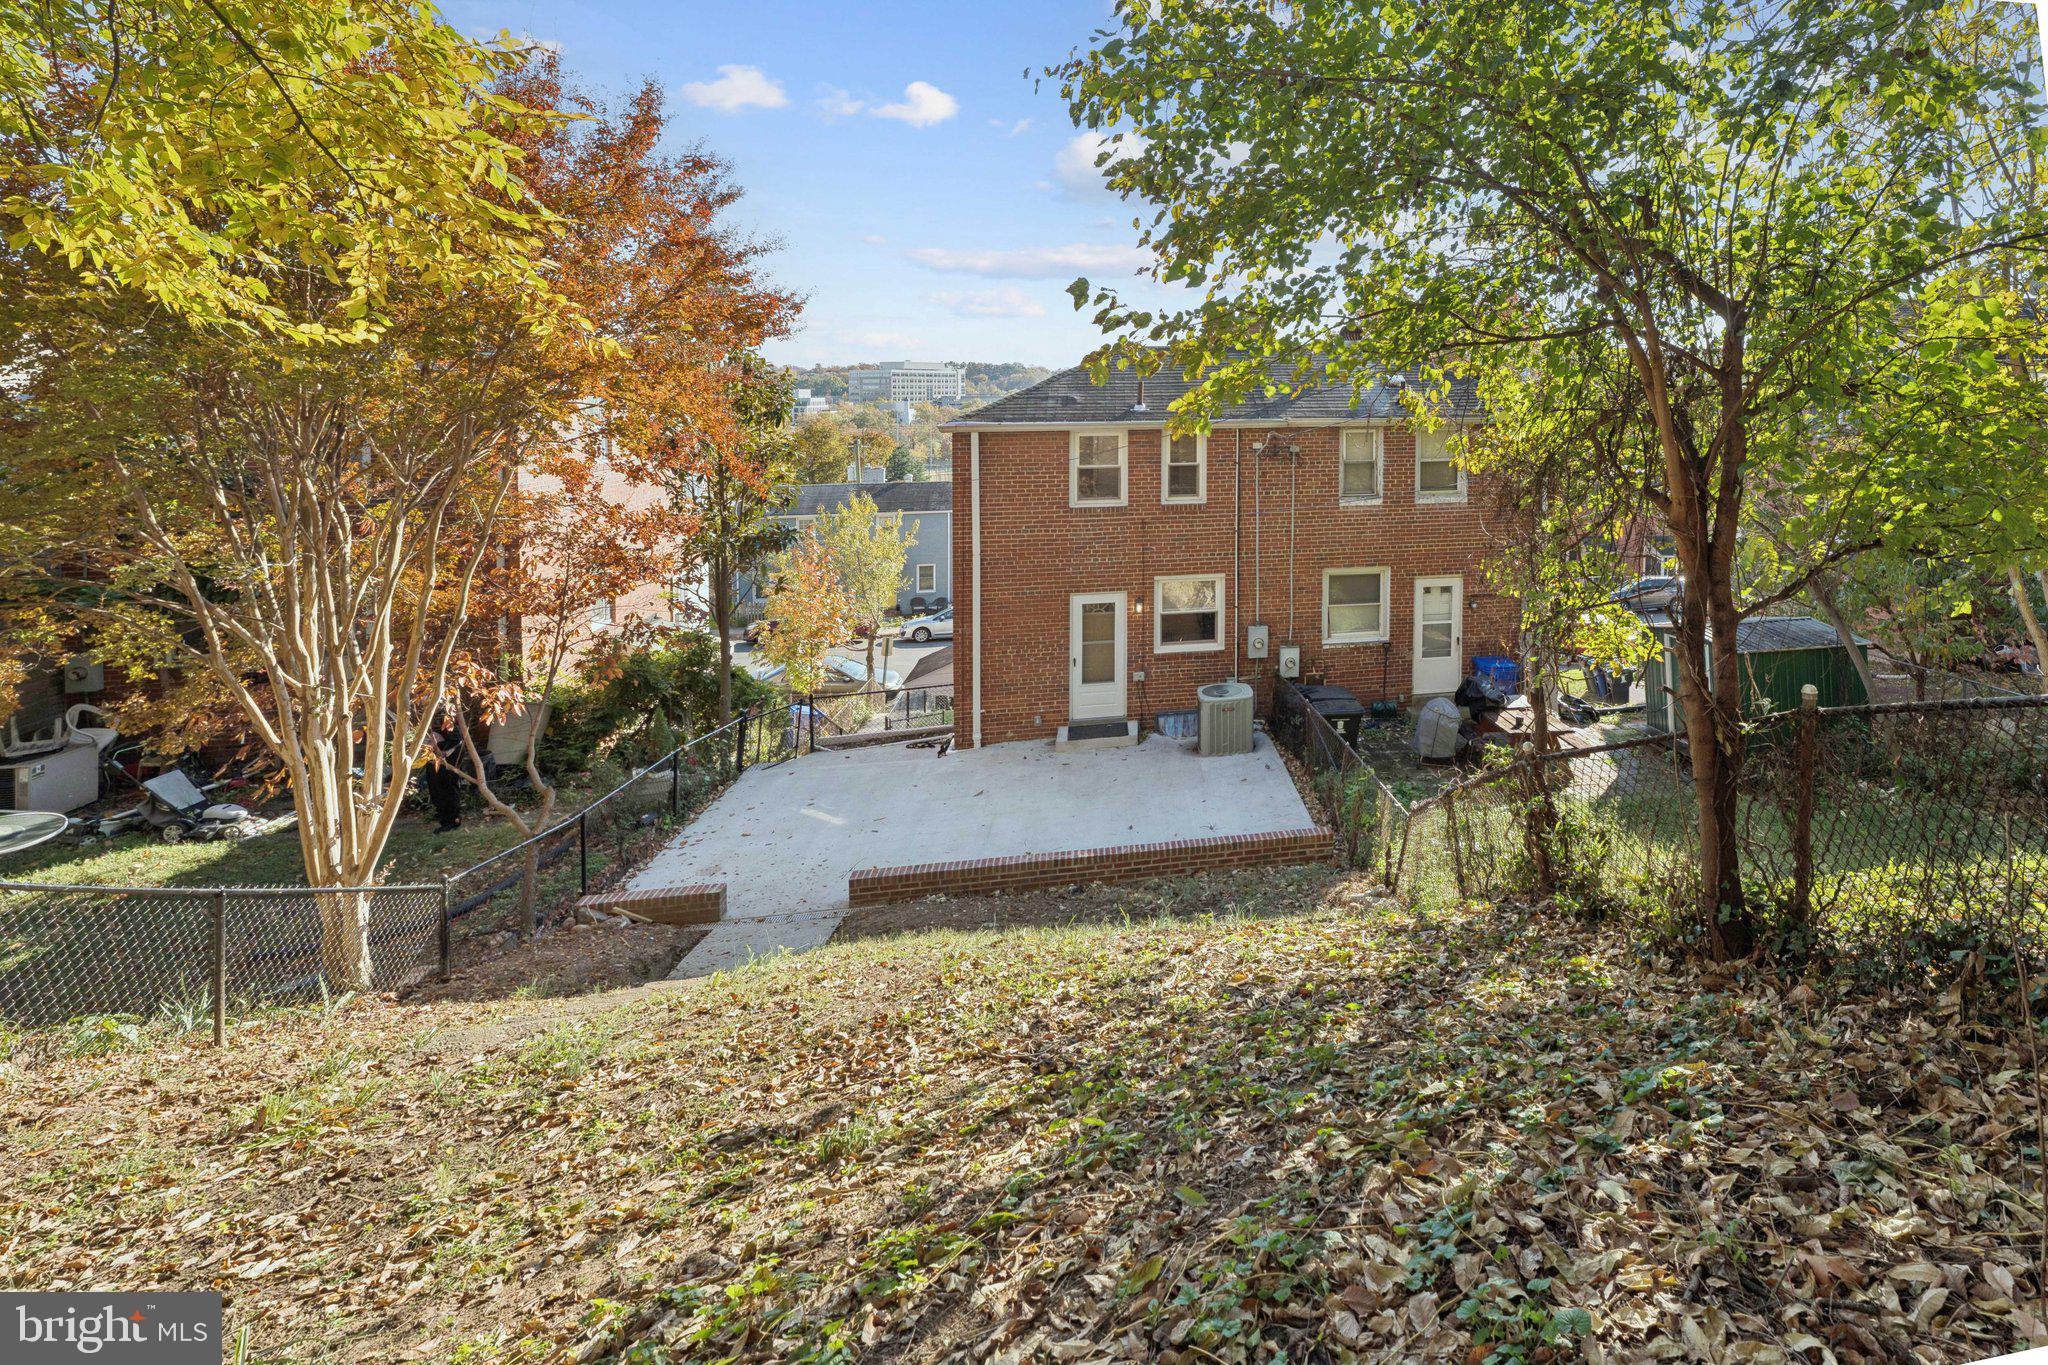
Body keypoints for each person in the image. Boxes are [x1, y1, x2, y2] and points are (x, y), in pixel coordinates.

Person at [425, 717, 465, 833]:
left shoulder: (444, 714)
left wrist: (443, 754)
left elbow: (457, 740)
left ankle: (452, 821)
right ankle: (443, 815)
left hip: (447, 758)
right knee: (435, 787)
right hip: (433, 757)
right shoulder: (425, 712)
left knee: (447, 787)